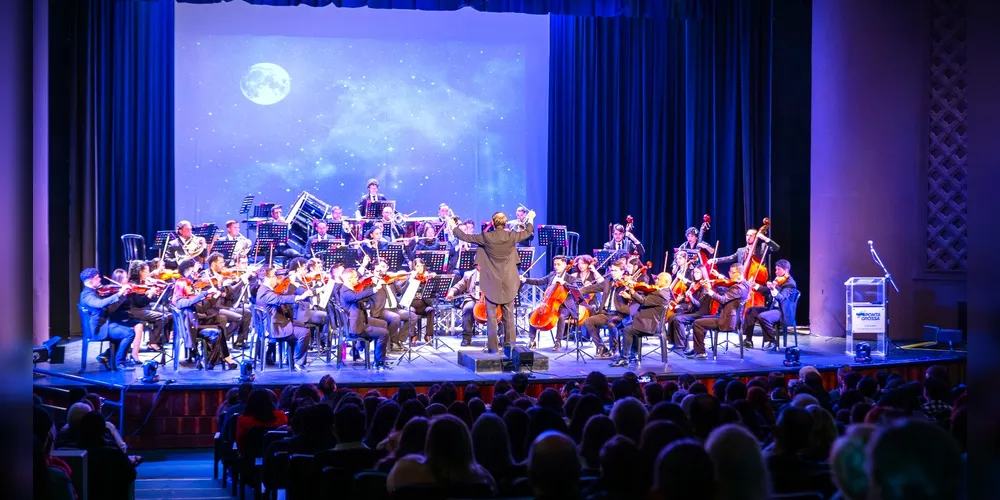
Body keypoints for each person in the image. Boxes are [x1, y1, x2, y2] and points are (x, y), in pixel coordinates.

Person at [449, 209, 536, 354]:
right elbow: (527, 232)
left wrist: (454, 226)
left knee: (491, 317)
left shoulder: (486, 237)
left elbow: (463, 236)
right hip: (509, 282)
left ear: (493, 223)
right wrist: (531, 218)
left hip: (491, 282)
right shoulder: (511, 236)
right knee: (509, 317)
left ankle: (493, 349)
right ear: (505, 223)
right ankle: (511, 349)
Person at [172, 259, 237, 369]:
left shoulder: (190, 291)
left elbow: (202, 309)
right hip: (191, 328)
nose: (192, 288)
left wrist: (215, 296)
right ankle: (214, 359)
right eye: (189, 287)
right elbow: (189, 302)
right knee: (218, 330)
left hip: (196, 321)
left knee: (220, 319)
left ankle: (219, 356)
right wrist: (204, 293)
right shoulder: (180, 297)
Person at [254, 265, 315, 371]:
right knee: (305, 332)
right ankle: (298, 362)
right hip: (274, 328)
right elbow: (279, 299)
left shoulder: (264, 290)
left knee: (301, 324)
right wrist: (300, 297)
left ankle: (290, 359)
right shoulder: (265, 292)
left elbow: (281, 296)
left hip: (274, 323)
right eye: (274, 276)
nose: (276, 278)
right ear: (268, 277)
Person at [687, 264, 751, 359]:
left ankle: (701, 352)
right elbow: (729, 287)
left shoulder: (737, 288)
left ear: (740, 273)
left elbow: (723, 299)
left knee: (697, 323)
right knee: (702, 319)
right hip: (732, 318)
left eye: (732, 272)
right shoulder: (745, 284)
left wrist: (709, 291)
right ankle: (698, 348)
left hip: (727, 321)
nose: (729, 274)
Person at [78, 267, 136, 370]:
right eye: (97, 278)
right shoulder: (86, 296)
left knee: (125, 329)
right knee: (129, 333)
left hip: (104, 324)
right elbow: (100, 304)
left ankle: (112, 360)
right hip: (98, 330)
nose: (100, 279)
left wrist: (122, 296)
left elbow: (109, 309)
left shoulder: (94, 292)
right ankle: (119, 363)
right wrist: (118, 293)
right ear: (91, 281)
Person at [610, 272, 671, 367]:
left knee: (627, 330)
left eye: (659, 279)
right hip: (646, 321)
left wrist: (631, 289)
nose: (656, 280)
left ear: (666, 281)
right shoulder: (662, 291)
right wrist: (630, 296)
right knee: (627, 325)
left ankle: (624, 358)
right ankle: (633, 354)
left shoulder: (661, 294)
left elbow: (644, 301)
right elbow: (647, 300)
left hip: (650, 325)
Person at [521, 255, 579, 351]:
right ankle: (532, 340)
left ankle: (558, 341)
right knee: (532, 314)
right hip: (549, 304)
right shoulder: (552, 275)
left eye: (558, 264)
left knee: (561, 317)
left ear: (565, 265)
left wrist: (564, 283)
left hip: (565, 306)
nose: (556, 267)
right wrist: (525, 280)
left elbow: (575, 290)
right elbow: (539, 281)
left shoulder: (570, 278)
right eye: (555, 265)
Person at [340, 267, 392, 368]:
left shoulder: (350, 289)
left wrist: (375, 289)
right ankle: (379, 362)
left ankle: (377, 357)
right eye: (355, 277)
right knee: (384, 333)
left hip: (360, 320)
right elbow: (356, 297)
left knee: (383, 323)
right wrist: (374, 289)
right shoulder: (345, 292)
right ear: (349, 279)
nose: (358, 279)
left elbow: (362, 296)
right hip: (355, 327)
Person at [578, 261, 631, 358]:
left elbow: (634, 297)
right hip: (607, 313)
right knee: (588, 321)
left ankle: (613, 349)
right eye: (611, 270)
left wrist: (628, 289)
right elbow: (595, 287)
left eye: (615, 271)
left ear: (622, 271)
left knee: (612, 324)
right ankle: (601, 346)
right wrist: (580, 290)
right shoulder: (608, 281)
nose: (612, 273)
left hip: (620, 314)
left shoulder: (626, 282)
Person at [742, 259, 797, 350]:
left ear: (786, 270)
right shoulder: (778, 280)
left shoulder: (790, 283)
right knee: (751, 311)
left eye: (778, 269)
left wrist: (773, 289)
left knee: (763, 316)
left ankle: (772, 342)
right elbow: (767, 291)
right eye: (775, 269)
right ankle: (748, 340)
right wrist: (755, 285)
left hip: (782, 311)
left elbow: (781, 298)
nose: (776, 272)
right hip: (773, 308)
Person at [203, 252, 252, 348]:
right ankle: (221, 341)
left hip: (224, 306)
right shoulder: (206, 276)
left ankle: (239, 342)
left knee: (247, 313)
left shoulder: (222, 275)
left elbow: (230, 291)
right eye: (221, 263)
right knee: (238, 318)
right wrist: (220, 284)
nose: (223, 265)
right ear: (213, 264)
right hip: (213, 308)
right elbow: (209, 294)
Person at [369, 258, 416, 352]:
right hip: (381, 310)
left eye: (384, 267)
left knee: (413, 316)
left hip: (394, 308)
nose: (383, 269)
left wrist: (410, 280)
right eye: (380, 267)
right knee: (395, 318)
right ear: (375, 267)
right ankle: (392, 343)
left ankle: (399, 340)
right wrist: (376, 281)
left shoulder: (390, 280)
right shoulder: (372, 281)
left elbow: (401, 291)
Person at [666, 265, 714, 350]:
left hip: (700, 313)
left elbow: (699, 305)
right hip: (693, 310)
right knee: (672, 317)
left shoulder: (704, 287)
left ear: (702, 273)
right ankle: (674, 342)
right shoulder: (694, 284)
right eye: (694, 272)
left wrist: (691, 297)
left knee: (678, 319)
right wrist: (682, 298)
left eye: (698, 272)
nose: (695, 274)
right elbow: (688, 299)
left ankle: (683, 345)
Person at [447, 265, 484, 347]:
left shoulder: (493, 273)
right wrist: (452, 292)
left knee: (498, 309)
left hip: (489, 300)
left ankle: (501, 336)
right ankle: (466, 337)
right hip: (473, 299)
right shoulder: (468, 274)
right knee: (467, 309)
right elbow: (459, 285)